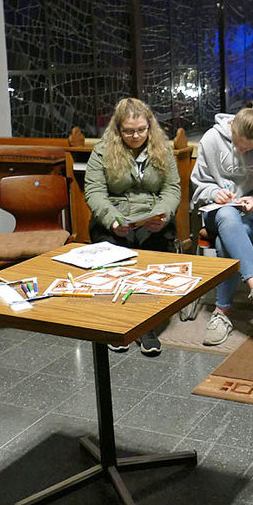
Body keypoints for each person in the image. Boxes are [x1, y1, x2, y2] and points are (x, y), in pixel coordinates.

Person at [84, 97, 181, 356]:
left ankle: (144, 325)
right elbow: (94, 191)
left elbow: (172, 189)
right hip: (115, 217)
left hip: (151, 217)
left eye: (141, 130)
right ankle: (121, 323)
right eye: (128, 131)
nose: (135, 135)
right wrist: (111, 219)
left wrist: (162, 215)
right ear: (118, 129)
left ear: (150, 127)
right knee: (114, 254)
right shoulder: (102, 150)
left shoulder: (163, 148)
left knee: (154, 256)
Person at [190, 101, 253, 346]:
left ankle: (221, 312)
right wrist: (214, 193)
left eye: (250, 148)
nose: (242, 150)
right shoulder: (211, 139)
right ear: (232, 127)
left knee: (227, 241)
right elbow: (199, 183)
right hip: (217, 212)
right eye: (238, 145)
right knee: (226, 215)